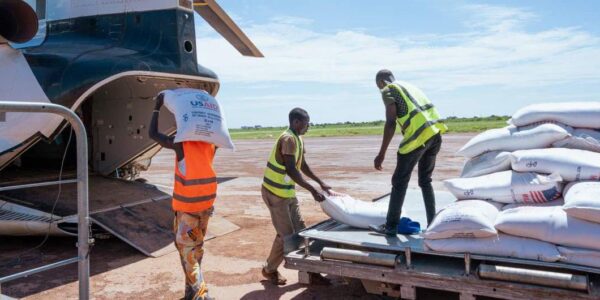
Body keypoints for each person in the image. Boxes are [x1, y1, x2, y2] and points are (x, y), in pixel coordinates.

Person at [149, 92, 217, 300]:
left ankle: (202, 294)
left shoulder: (181, 146)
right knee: (196, 248)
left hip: (187, 208)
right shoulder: (211, 144)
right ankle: (190, 293)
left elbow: (153, 134)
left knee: (187, 252)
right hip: (206, 204)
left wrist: (157, 107)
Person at [369, 70, 447, 236]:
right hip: (435, 134)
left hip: (417, 138)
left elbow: (391, 122)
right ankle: (432, 224)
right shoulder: (410, 86)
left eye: (378, 87)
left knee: (399, 181)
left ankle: (390, 227)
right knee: (425, 181)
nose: (380, 90)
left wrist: (381, 153)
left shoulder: (388, 89)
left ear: (381, 82)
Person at [261, 107, 331, 285]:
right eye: (306, 123)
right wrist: (312, 190)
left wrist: (319, 182)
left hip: (287, 192)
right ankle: (270, 270)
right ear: (296, 122)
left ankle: (310, 269)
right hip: (275, 193)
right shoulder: (288, 139)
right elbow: (292, 170)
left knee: (301, 230)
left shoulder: (298, 138)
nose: (308, 127)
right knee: (286, 236)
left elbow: (302, 164)